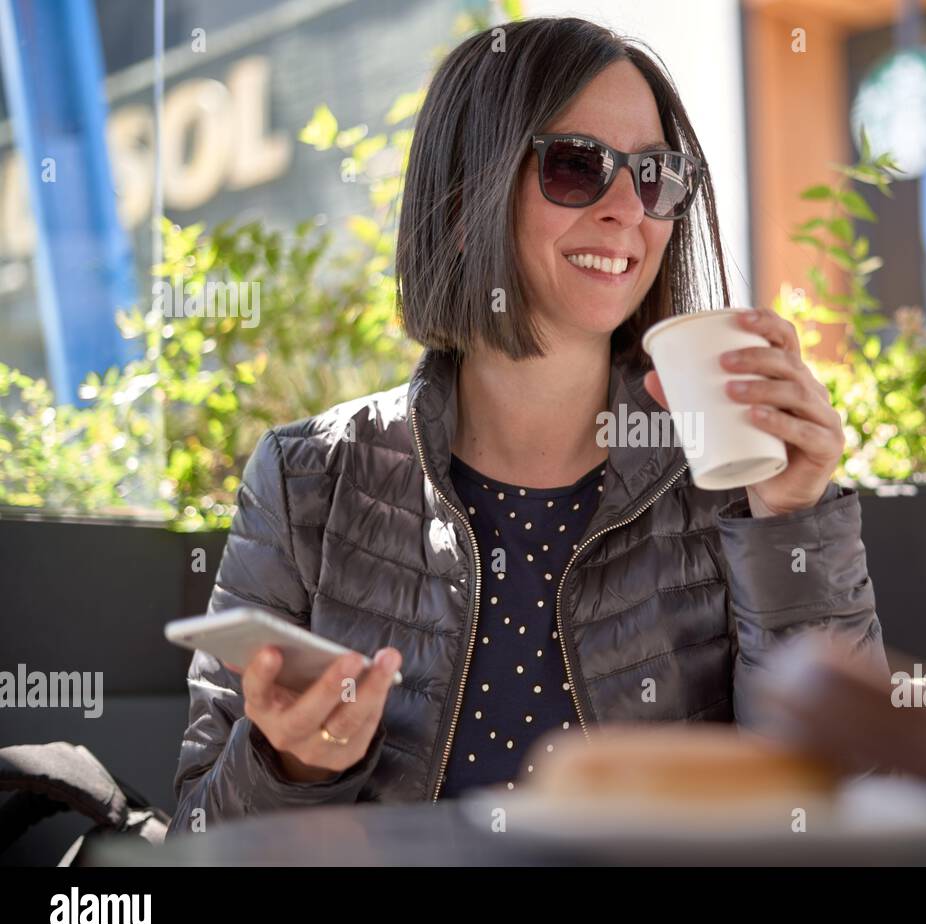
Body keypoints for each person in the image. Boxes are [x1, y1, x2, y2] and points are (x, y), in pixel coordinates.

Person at [167, 16, 887, 838]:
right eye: (578, 167)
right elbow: (200, 843)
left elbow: (846, 810)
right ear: (467, 195)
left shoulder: (730, 479)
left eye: (655, 175)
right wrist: (292, 764)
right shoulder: (308, 483)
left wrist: (793, 519)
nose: (628, 210)